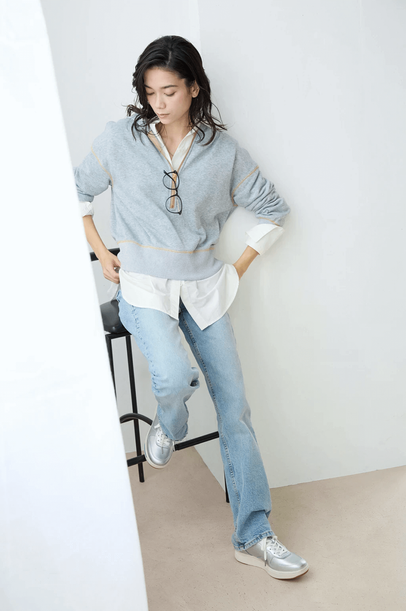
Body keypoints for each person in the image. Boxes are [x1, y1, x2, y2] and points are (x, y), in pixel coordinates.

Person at [74, 35, 309, 580]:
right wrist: (102, 252)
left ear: (195, 88)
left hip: (204, 291)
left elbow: (274, 210)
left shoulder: (223, 153)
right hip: (141, 287)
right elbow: (76, 192)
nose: (158, 102)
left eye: (170, 91)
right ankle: (170, 422)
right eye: (150, 91)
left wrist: (237, 269)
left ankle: (254, 535)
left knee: (236, 410)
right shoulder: (118, 139)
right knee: (174, 377)